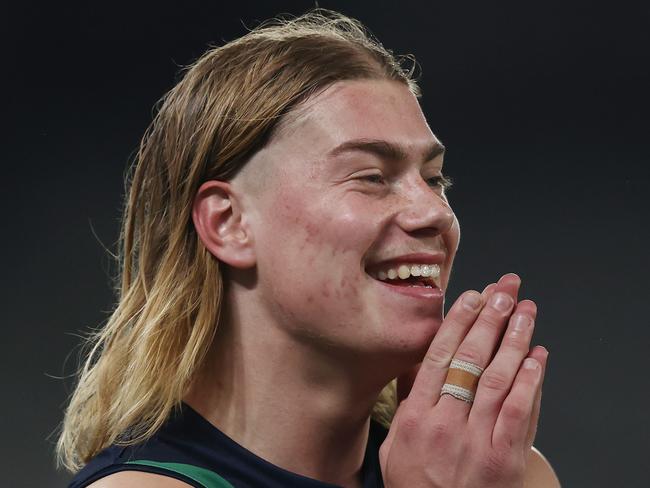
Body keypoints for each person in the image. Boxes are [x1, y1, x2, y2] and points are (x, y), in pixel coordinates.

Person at [58, 9, 560, 488]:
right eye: (372, 176)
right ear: (230, 223)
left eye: (434, 178)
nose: (434, 213)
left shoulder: (494, 474)